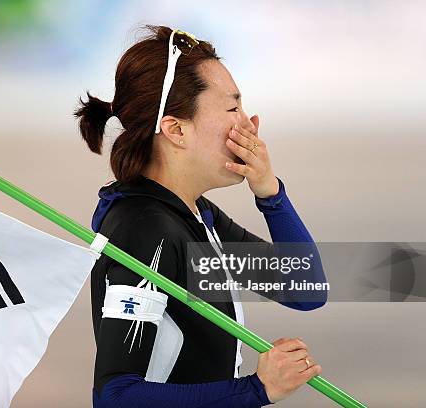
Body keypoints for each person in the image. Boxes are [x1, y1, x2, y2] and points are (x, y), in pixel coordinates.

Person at [74, 25, 327, 407]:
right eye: (232, 108)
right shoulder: (146, 230)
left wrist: (270, 192)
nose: (248, 124)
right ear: (175, 129)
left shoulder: (194, 214)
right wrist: (257, 389)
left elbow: (306, 287)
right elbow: (117, 397)